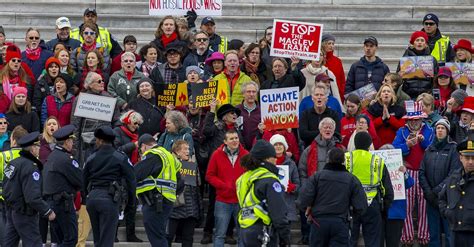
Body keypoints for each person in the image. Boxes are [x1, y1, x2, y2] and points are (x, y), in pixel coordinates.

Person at [297, 147, 367, 247]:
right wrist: (351, 215)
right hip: (340, 223)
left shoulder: (317, 176)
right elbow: (361, 206)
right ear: (343, 160)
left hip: (319, 222)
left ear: (328, 159)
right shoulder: (351, 179)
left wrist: (308, 209)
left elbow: (302, 199)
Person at [82, 126, 136, 247]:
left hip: (93, 198)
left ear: (101, 140)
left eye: (96, 140)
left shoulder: (91, 157)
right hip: (109, 199)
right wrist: (131, 203)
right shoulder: (120, 157)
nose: (95, 142)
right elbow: (131, 180)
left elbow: (83, 180)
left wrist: (86, 198)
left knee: (98, 240)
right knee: (106, 241)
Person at [3, 131, 56, 246]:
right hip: (25, 213)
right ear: (32, 149)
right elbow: (32, 197)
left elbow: (5, 187)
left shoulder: (12, 163)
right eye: (38, 146)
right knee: (34, 243)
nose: (39, 149)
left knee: (9, 243)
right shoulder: (31, 167)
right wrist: (47, 211)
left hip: (12, 210)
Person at [392, 101, 434, 246]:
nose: (415, 122)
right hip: (407, 171)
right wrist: (407, 145)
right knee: (407, 205)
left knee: (423, 204)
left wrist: (422, 142)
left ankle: (424, 237)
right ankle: (407, 237)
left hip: (423, 172)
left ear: (421, 118)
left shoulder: (428, 129)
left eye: (417, 119)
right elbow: (394, 149)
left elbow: (431, 148)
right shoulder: (401, 131)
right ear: (408, 119)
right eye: (412, 119)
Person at [236, 140, 290, 246]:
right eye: (274, 156)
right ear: (267, 158)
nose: (276, 160)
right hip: (263, 231)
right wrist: (285, 237)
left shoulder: (244, 178)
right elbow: (278, 212)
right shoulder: (270, 180)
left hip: (246, 229)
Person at [345, 131, 394, 247]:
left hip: (351, 205)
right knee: (373, 241)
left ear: (355, 143)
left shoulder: (346, 158)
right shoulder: (377, 160)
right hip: (372, 204)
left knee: (349, 240)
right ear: (369, 144)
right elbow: (386, 188)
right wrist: (384, 208)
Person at [135, 133, 183, 247]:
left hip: (155, 201)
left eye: (140, 150)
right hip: (167, 201)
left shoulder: (153, 154)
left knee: (156, 237)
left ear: (144, 146)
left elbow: (136, 174)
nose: (142, 153)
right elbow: (181, 182)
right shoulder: (170, 157)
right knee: (160, 235)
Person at [419, 119, 460, 247]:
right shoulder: (429, 149)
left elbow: (453, 173)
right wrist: (428, 192)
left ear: (447, 131)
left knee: (449, 234)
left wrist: (437, 190)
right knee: (434, 234)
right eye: (438, 128)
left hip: (447, 198)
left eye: (443, 128)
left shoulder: (453, 148)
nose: (440, 130)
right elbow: (422, 172)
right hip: (431, 199)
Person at [206, 129, 248, 247]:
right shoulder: (216, 154)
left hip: (241, 200)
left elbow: (251, 174)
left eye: (236, 138)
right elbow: (209, 176)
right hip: (223, 200)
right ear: (225, 141)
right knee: (220, 234)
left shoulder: (246, 155)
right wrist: (224, 186)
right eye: (231, 138)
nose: (235, 141)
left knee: (242, 235)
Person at [43, 125, 82, 247]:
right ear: (67, 142)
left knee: (61, 239)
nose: (72, 144)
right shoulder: (66, 159)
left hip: (52, 202)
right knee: (70, 239)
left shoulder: (53, 156)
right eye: (71, 141)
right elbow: (80, 180)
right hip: (62, 203)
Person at [439, 130, 474, 247]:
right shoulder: (454, 177)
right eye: (467, 157)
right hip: (456, 230)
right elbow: (442, 198)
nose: (470, 162)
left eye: (473, 158)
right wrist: (447, 212)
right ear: (460, 158)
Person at [167, 140, 201, 247]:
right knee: (168, 237)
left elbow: (197, 188)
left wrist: (198, 208)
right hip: (174, 207)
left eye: (189, 149)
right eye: (185, 149)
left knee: (188, 238)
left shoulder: (192, 165)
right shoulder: (169, 164)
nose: (188, 151)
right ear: (177, 151)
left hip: (191, 208)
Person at [0, 125, 28, 244]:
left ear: (14, 140)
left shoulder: (3, 155)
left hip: (4, 200)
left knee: (7, 238)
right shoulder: (31, 157)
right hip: (24, 201)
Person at [398, 31, 438, 99]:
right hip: (408, 95)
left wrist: (430, 92)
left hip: (426, 95)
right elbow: (397, 78)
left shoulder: (432, 60)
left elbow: (436, 79)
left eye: (422, 40)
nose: (420, 42)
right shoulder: (405, 59)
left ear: (425, 44)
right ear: (413, 43)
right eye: (417, 40)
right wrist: (399, 76)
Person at [269, 134, 300, 222]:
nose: (278, 146)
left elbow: (298, 185)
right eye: (275, 144)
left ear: (284, 146)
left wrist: (293, 187)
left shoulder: (291, 164)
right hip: (272, 203)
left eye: (280, 144)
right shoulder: (267, 164)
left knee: (286, 234)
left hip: (287, 204)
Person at [299, 83, 341, 147]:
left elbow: (337, 134)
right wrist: (324, 133)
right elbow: (303, 135)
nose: (319, 97)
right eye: (316, 95)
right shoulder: (305, 114)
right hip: (310, 149)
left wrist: (315, 133)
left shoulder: (333, 114)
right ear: (312, 98)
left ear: (326, 99)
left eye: (321, 95)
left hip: (329, 149)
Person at [0, 44, 34, 112]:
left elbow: (29, 99)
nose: (16, 62)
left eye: (19, 61)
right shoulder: (1, 79)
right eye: (13, 60)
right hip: (4, 114)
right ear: (8, 62)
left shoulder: (27, 80)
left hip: (22, 113)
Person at [236, 81, 261, 150]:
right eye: (248, 92)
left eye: (254, 92)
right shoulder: (236, 110)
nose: (251, 94)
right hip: (240, 149)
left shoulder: (263, 110)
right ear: (243, 94)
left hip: (257, 149)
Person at [321, 33, 346, 100]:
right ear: (323, 44)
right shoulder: (318, 60)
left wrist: (341, 93)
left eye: (333, 44)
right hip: (320, 95)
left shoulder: (338, 61)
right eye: (329, 43)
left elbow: (342, 80)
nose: (331, 46)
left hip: (336, 94)